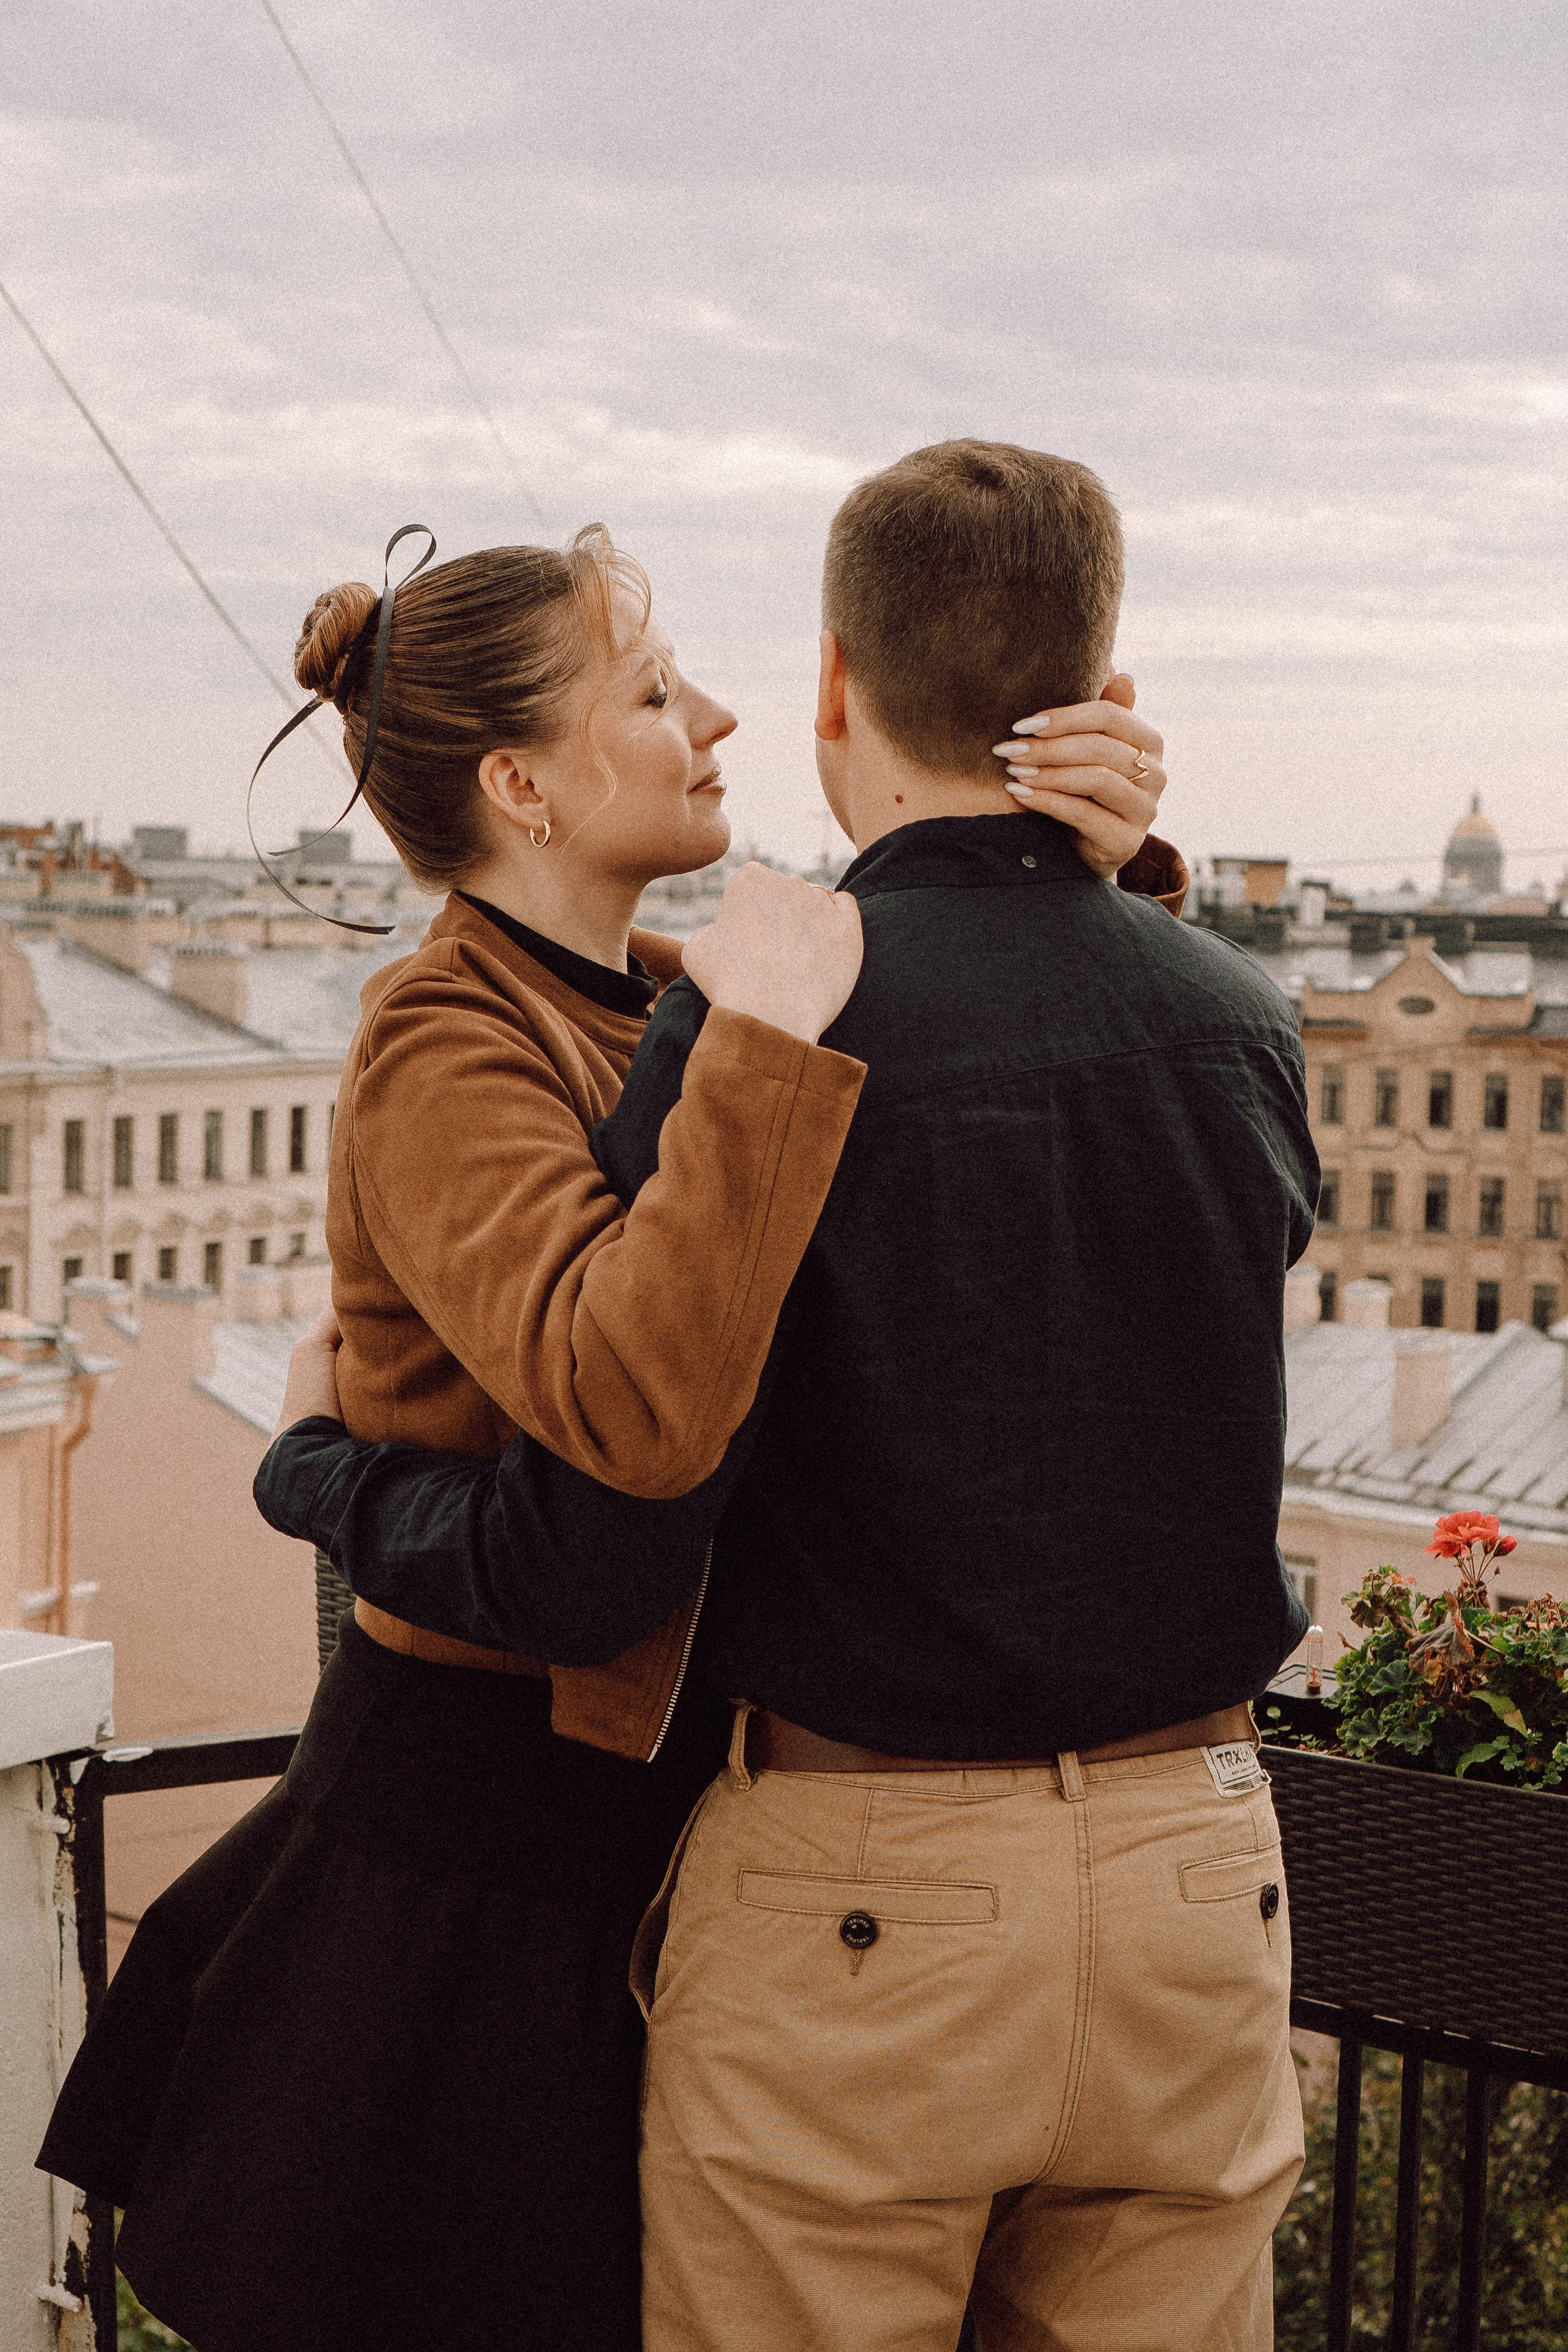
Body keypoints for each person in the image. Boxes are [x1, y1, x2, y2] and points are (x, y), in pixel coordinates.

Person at [38, 510, 1177, 2352]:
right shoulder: (443, 1036)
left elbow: (1013, 1177)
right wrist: (763, 1058)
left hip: (654, 1859)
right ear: (524, 786)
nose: (720, 717)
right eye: (652, 692)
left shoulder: (662, 1003)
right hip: (474, 1880)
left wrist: (1097, 876)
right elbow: (634, 1402)